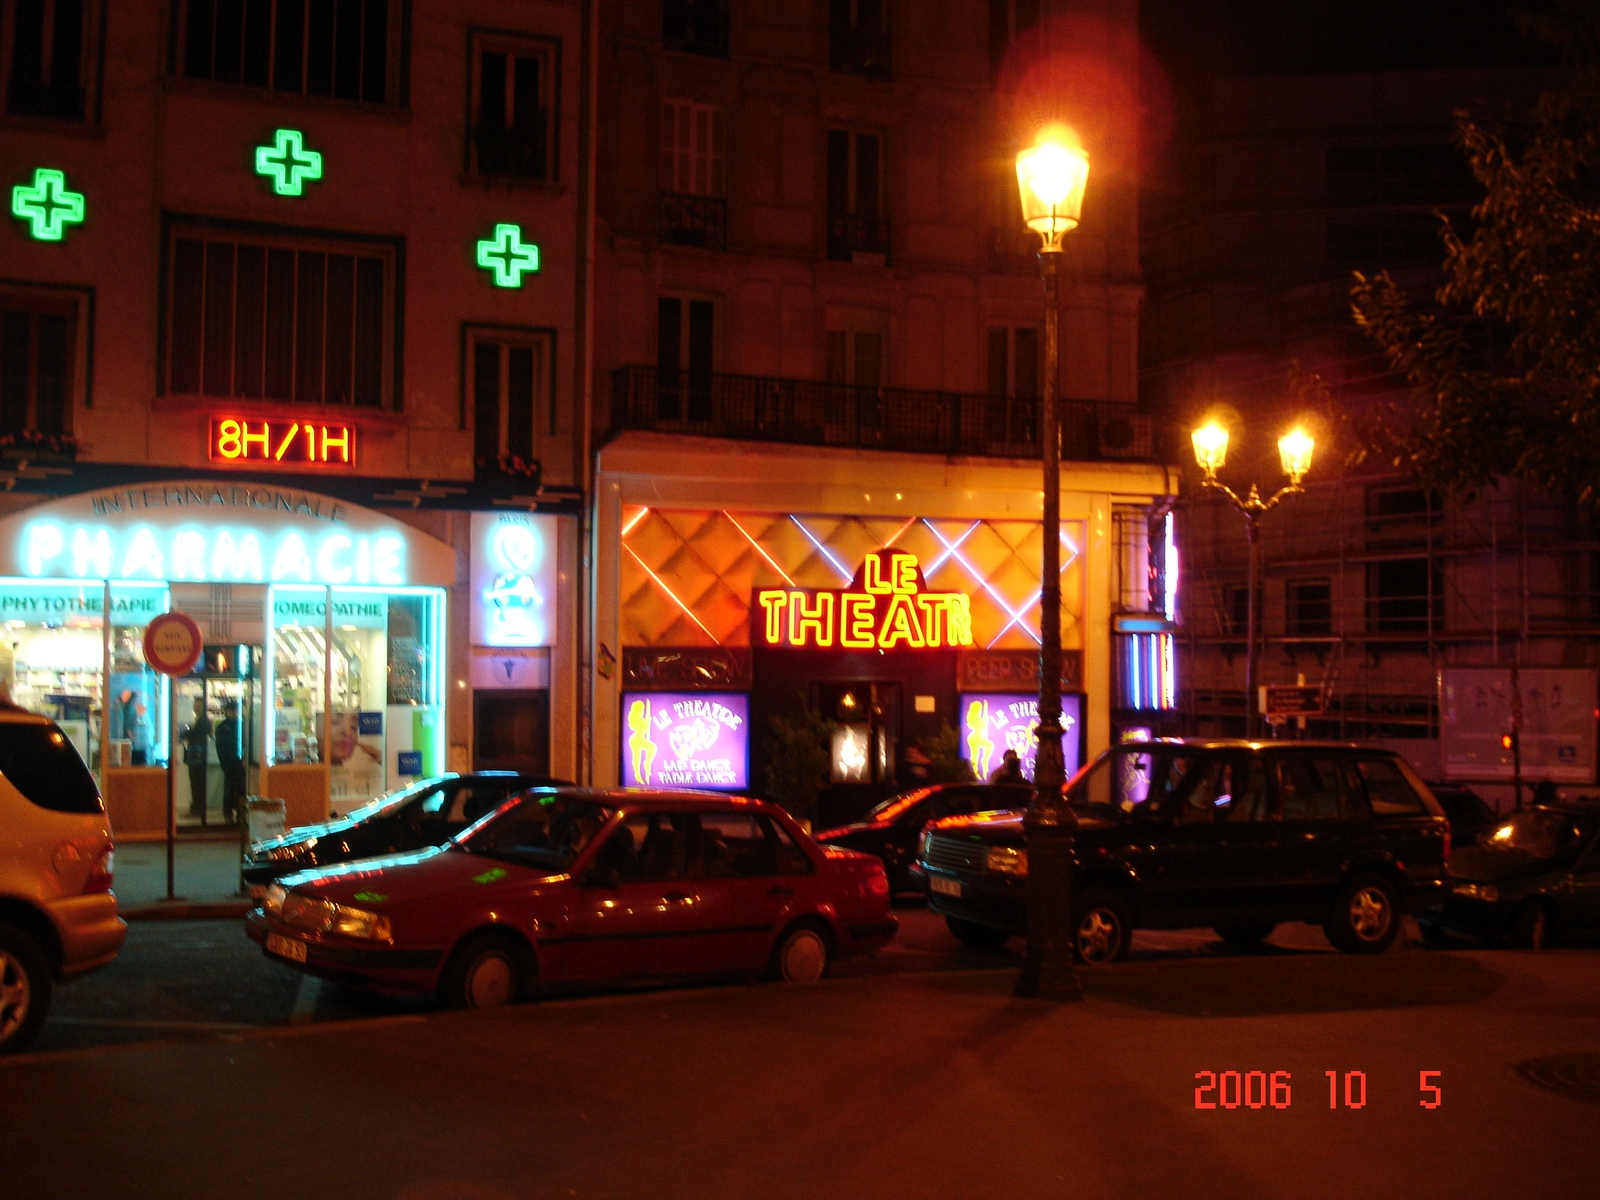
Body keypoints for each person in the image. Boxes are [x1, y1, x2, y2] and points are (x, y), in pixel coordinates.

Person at [215, 698, 246, 826]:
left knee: (241, 790)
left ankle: (240, 813)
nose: (234, 712)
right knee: (229, 789)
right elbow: (221, 747)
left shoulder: (243, 725)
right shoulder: (223, 727)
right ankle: (228, 813)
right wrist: (225, 763)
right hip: (229, 763)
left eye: (235, 709)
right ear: (226, 711)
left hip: (240, 764)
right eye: (231, 710)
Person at [181, 697, 210, 820]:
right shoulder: (199, 720)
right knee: (196, 783)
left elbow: (194, 733)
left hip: (197, 757)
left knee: (197, 784)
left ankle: (197, 809)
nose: (195, 707)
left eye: (197, 705)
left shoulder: (203, 720)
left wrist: (186, 732)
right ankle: (197, 807)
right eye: (195, 705)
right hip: (195, 756)